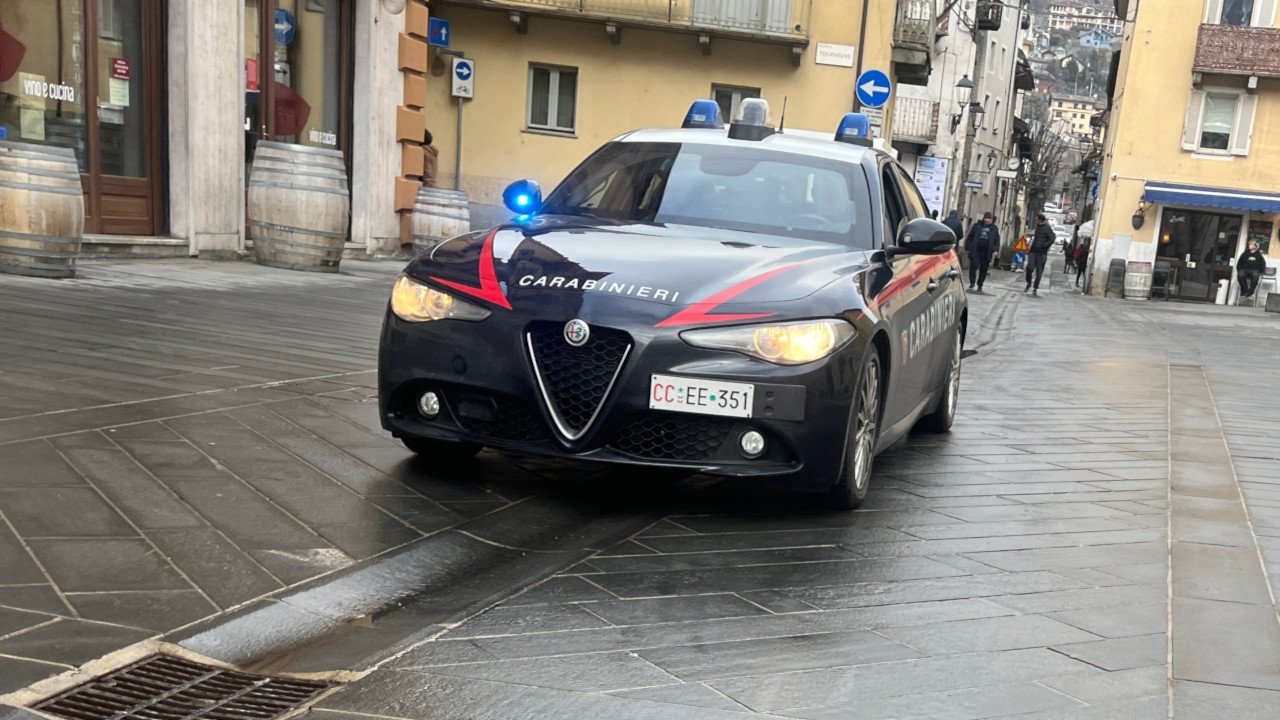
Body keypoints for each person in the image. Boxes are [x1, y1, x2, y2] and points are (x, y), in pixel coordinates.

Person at [965, 212, 1000, 292]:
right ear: (984, 219)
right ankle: (972, 282)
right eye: (986, 219)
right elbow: (970, 237)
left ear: (991, 220)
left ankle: (980, 284)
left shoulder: (994, 229)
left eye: (989, 220)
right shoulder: (977, 226)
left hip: (987, 252)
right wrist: (967, 247)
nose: (987, 221)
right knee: (973, 266)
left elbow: (997, 240)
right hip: (976, 250)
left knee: (983, 269)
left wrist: (995, 250)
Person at [1025, 214, 1055, 296]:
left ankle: (1035, 288)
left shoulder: (1047, 228)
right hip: (1033, 251)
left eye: (1037, 219)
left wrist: (1044, 245)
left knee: (1039, 271)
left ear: (1040, 220)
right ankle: (1029, 282)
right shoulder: (1038, 227)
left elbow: (1052, 238)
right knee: (1029, 268)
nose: (1035, 220)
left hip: (1042, 253)